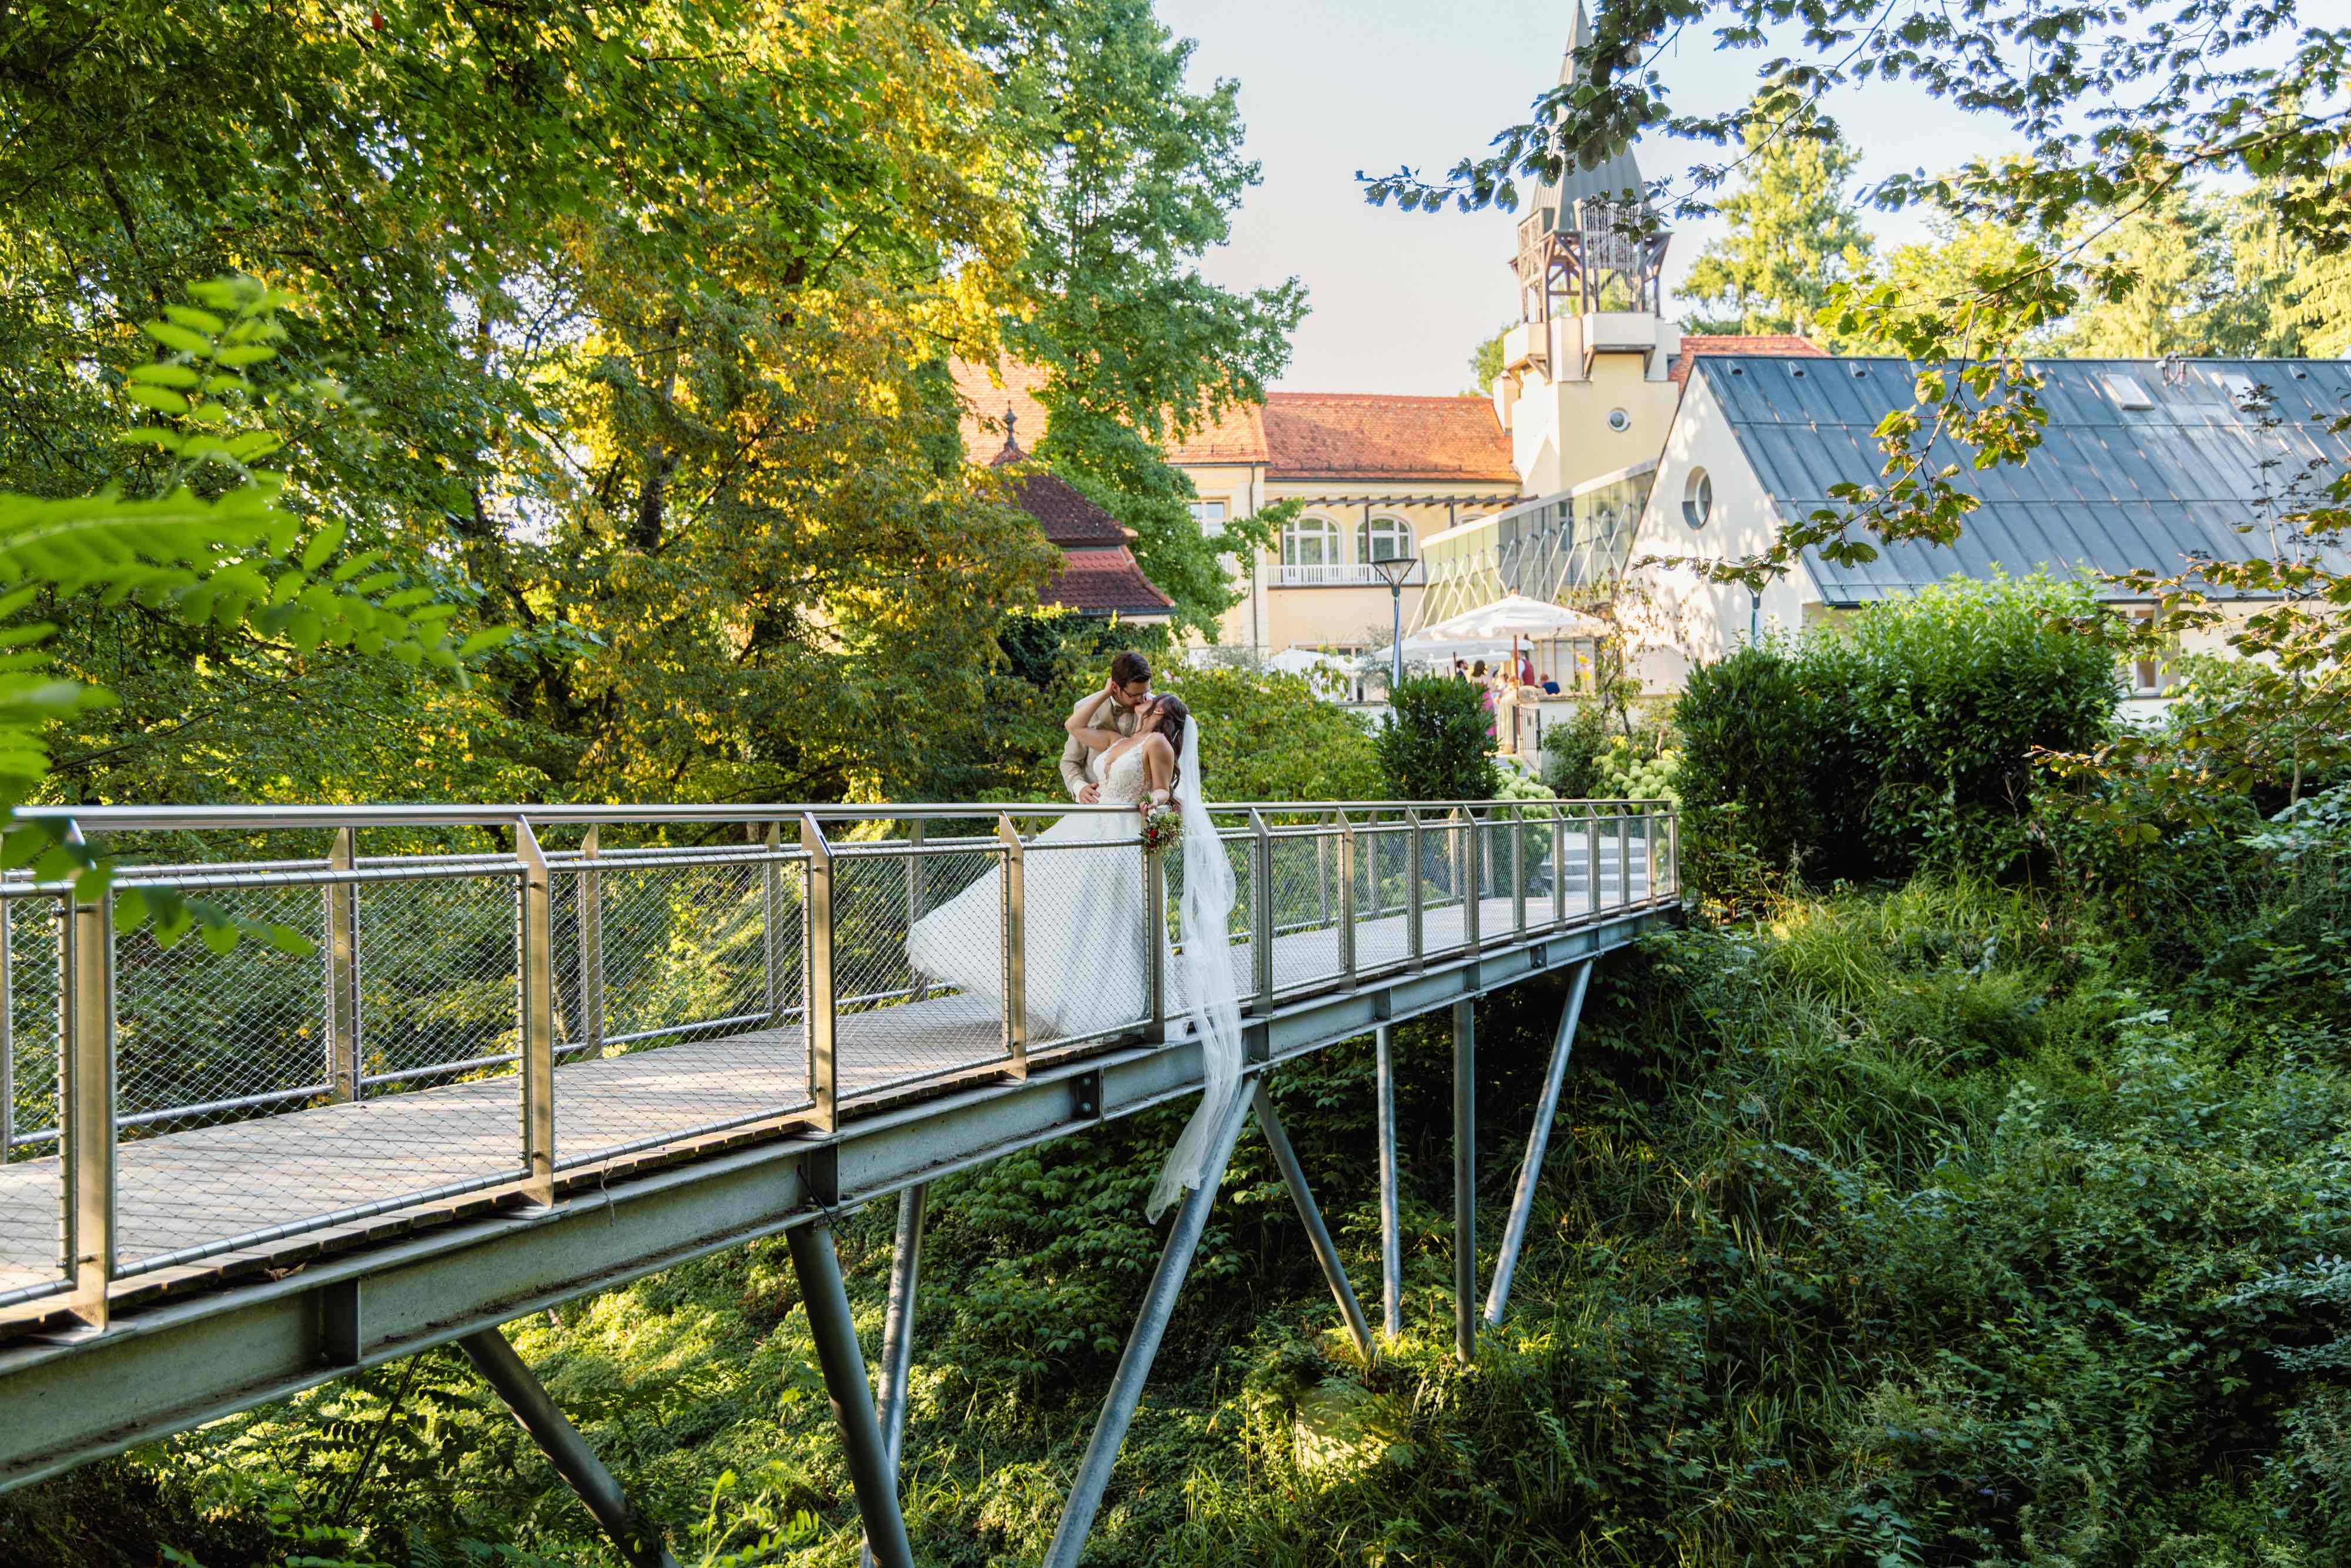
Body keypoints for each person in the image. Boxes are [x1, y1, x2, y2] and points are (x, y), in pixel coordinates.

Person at [906, 689, 1244, 1221]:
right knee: (1063, 916)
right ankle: (1068, 1000)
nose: (1145, 701)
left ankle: (1098, 1006)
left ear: (1165, 715)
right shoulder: (1124, 736)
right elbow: (1074, 730)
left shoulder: (1157, 741)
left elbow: (1162, 797)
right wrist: (1103, 710)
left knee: (1102, 925)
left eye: (1151, 700)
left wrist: (1153, 810)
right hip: (1090, 829)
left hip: (1119, 839)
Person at [1061, 649, 1153, 803]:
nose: (1143, 700)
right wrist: (1079, 787)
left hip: (1141, 809)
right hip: (1097, 806)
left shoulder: (1156, 710)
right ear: (1115, 687)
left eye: (1147, 691)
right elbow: (1070, 761)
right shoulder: (1084, 709)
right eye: (1135, 695)